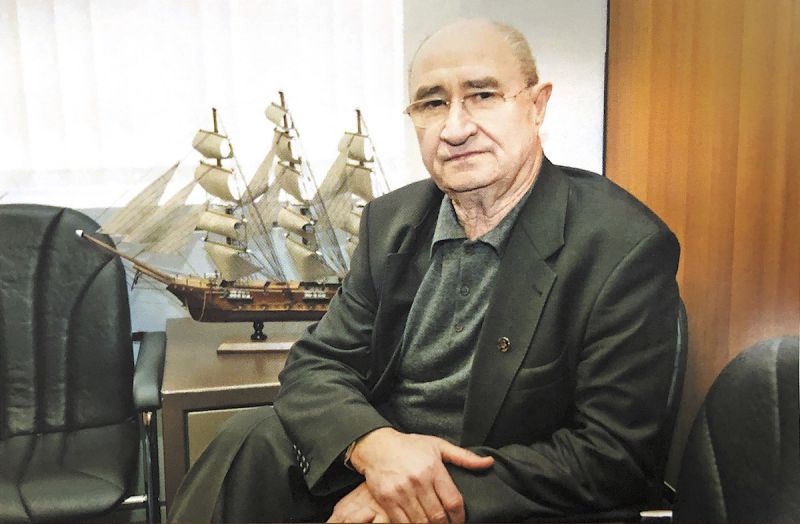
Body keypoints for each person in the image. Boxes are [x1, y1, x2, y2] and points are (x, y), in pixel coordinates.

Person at [169, 18, 680, 523]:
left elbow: (613, 456)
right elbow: (318, 364)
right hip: (385, 457)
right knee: (246, 443)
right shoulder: (391, 221)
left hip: (502, 493)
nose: (455, 129)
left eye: (483, 95)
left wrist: (416, 492)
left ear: (537, 104)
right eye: (433, 104)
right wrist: (374, 448)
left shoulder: (623, 246)